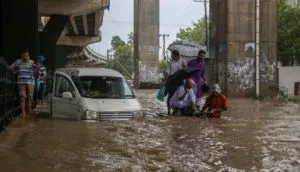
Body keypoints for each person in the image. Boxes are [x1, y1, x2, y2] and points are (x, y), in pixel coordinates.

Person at [10, 49, 35, 117]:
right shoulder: (18, 61)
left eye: (27, 56)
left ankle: (29, 111)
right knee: (22, 98)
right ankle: (23, 114)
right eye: (24, 56)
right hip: (21, 82)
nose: (25, 58)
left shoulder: (32, 62)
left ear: (29, 56)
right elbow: (10, 67)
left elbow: (36, 70)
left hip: (31, 82)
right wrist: (16, 71)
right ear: (21, 56)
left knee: (30, 97)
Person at [164, 50, 187, 115]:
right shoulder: (170, 62)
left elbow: (186, 70)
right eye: (171, 55)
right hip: (172, 81)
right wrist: (165, 80)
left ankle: (178, 109)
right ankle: (169, 111)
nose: (171, 56)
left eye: (172, 55)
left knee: (180, 96)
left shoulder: (183, 61)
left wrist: (184, 66)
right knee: (170, 96)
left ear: (176, 55)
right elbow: (167, 72)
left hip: (180, 81)